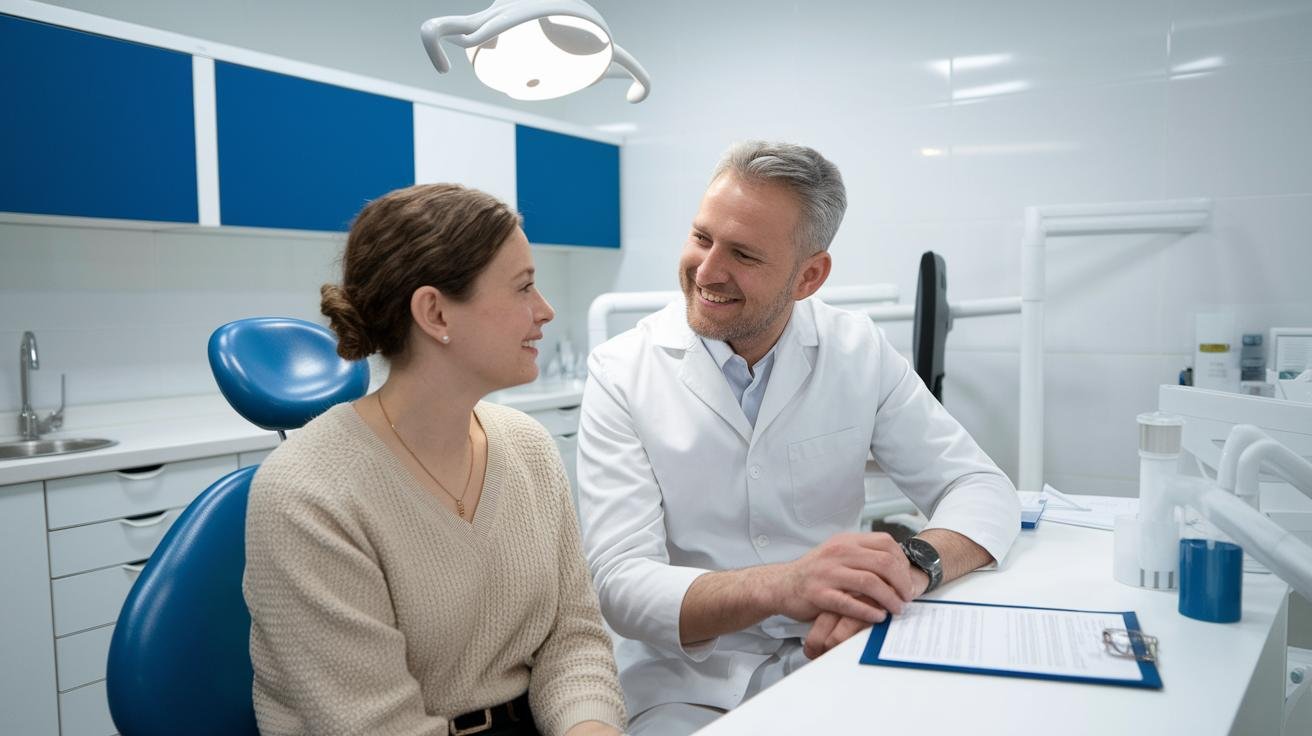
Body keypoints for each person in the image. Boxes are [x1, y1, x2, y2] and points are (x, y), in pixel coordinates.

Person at [576, 141, 1020, 735]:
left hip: (835, 656)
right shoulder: (621, 371)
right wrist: (786, 585)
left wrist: (906, 570)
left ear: (809, 275)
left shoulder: (856, 350)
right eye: (702, 237)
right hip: (684, 686)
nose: (706, 272)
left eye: (744, 254)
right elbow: (621, 583)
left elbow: (979, 485)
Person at [244, 183, 626, 736]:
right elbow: (372, 724)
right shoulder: (306, 493)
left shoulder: (528, 448)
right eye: (524, 288)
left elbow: (572, 639)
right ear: (435, 312)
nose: (544, 311)